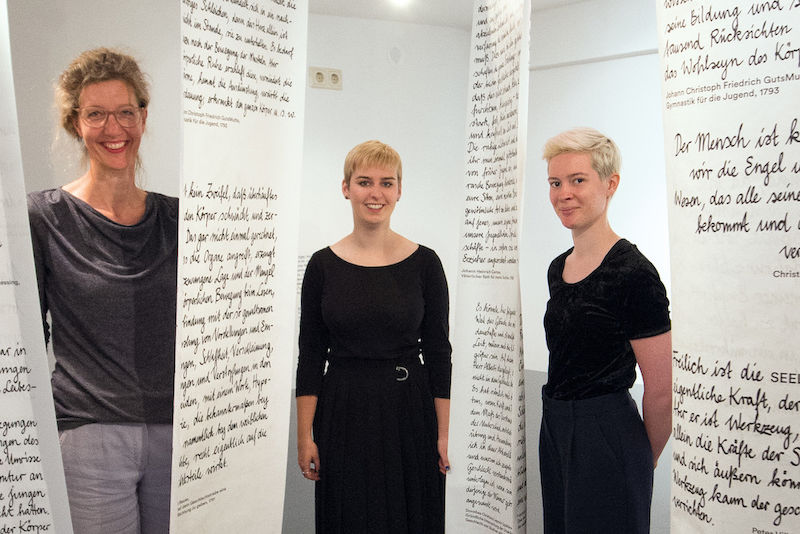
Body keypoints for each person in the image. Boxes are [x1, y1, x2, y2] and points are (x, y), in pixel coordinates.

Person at [27, 48, 177, 534]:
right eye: (96, 114)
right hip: (87, 435)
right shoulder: (43, 218)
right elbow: (28, 336)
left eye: (125, 112)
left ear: (144, 117)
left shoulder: (181, 220)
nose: (114, 129)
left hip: (182, 432)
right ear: (75, 123)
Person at [295, 140, 452, 533]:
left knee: (410, 517)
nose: (376, 193)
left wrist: (444, 434)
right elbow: (311, 355)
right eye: (364, 182)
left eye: (387, 183)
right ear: (346, 187)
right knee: (349, 516)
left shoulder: (426, 263)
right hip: (343, 410)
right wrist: (305, 436)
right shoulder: (321, 266)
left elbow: (438, 353)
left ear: (399, 190)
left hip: (408, 410)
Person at [539, 128, 672, 533]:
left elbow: (662, 388)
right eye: (555, 183)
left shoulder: (633, 273)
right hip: (556, 428)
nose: (564, 193)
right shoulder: (558, 268)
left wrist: (635, 457)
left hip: (608, 432)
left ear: (610, 183)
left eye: (578, 180)